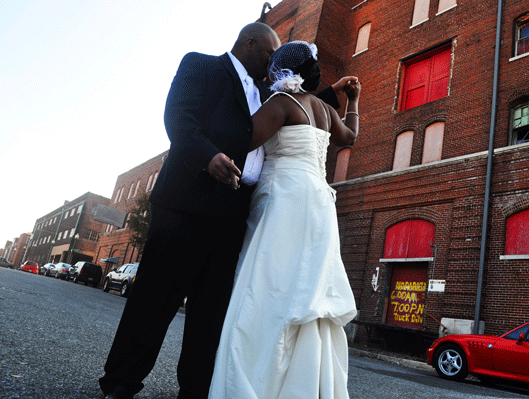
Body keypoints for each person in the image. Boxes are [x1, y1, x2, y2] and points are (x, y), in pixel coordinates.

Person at [99, 22, 357, 399]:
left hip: (236, 214)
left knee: (212, 313)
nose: (273, 65)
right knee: (155, 300)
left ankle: (196, 389)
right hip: (188, 205)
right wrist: (207, 157)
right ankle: (121, 382)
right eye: (269, 54)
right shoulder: (202, 67)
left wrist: (333, 93)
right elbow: (179, 118)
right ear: (248, 43)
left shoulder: (272, 91)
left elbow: (300, 110)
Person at [209, 41, 360, 399]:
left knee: (267, 285)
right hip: (319, 202)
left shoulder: (282, 104)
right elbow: (350, 137)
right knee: (305, 287)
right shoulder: (325, 108)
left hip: (284, 197)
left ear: (281, 70)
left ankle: (256, 378)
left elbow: (243, 138)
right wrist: (352, 100)